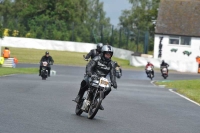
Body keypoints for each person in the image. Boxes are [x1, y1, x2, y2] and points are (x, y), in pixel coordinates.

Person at [74, 45, 117, 110]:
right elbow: (89, 66)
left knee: (108, 88)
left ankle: (97, 101)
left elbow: (112, 74)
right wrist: (89, 73)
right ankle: (79, 96)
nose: (108, 56)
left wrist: (114, 82)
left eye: (110, 54)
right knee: (85, 81)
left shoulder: (112, 64)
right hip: (93, 75)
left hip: (102, 79)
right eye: (107, 54)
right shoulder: (96, 59)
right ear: (103, 53)